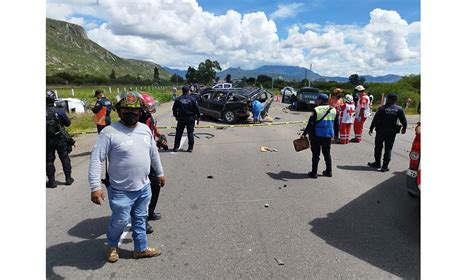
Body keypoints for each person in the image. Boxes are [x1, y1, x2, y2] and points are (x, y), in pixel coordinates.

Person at [88, 91, 166, 262]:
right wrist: (95, 187)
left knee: (140, 219)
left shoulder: (145, 129)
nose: (131, 114)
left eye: (135, 111)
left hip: (144, 188)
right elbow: (96, 159)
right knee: (120, 221)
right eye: (127, 111)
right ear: (119, 111)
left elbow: (153, 153)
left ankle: (141, 248)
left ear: (140, 112)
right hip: (121, 190)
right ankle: (111, 246)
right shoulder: (109, 132)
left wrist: (159, 173)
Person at [138, 94, 164, 234]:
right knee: (143, 190)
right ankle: (143, 219)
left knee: (155, 185)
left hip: (150, 154)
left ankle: (150, 212)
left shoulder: (147, 115)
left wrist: (160, 136)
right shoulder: (138, 118)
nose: (150, 108)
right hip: (142, 157)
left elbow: (152, 129)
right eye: (148, 106)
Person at [368, 93, 408, 172]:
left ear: (389, 99)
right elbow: (404, 120)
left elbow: (375, 119)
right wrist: (404, 128)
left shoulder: (382, 108)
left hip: (381, 131)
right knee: (388, 148)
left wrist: (371, 128)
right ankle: (385, 166)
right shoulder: (399, 109)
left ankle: (377, 163)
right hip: (392, 132)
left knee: (378, 147)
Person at [302, 94, 339, 178]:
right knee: (327, 153)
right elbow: (336, 124)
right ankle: (329, 171)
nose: (316, 101)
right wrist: (336, 135)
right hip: (328, 134)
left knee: (316, 154)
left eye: (318, 99)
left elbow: (310, 124)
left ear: (321, 100)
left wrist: (304, 134)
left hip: (316, 135)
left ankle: (314, 172)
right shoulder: (333, 109)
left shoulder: (316, 109)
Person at [46, 90, 74, 188]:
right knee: (64, 157)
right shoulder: (59, 111)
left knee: (48, 160)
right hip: (60, 138)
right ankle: (68, 178)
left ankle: (52, 181)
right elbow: (68, 123)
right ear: (54, 100)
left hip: (46, 140)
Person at [172, 86, 201, 152]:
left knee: (179, 133)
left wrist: (176, 116)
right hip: (190, 118)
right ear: (188, 91)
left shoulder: (178, 99)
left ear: (182, 91)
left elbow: (174, 109)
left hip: (181, 118)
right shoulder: (192, 99)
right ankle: (190, 148)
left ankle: (176, 147)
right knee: (190, 133)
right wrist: (198, 117)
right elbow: (197, 109)